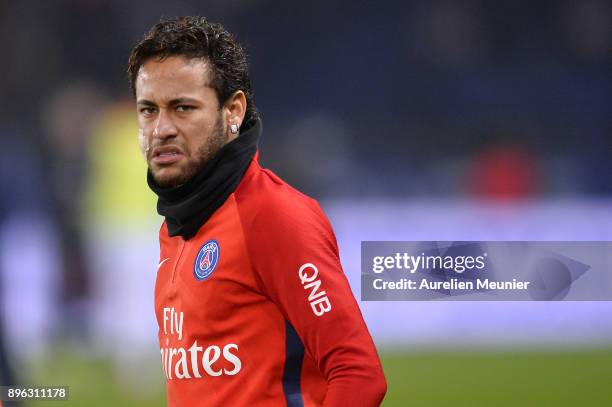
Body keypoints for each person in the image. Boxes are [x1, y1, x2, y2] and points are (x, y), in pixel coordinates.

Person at [127, 16, 386, 406]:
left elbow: (358, 374)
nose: (161, 128)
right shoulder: (178, 226)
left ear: (232, 111)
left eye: (182, 108)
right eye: (148, 110)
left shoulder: (273, 216)